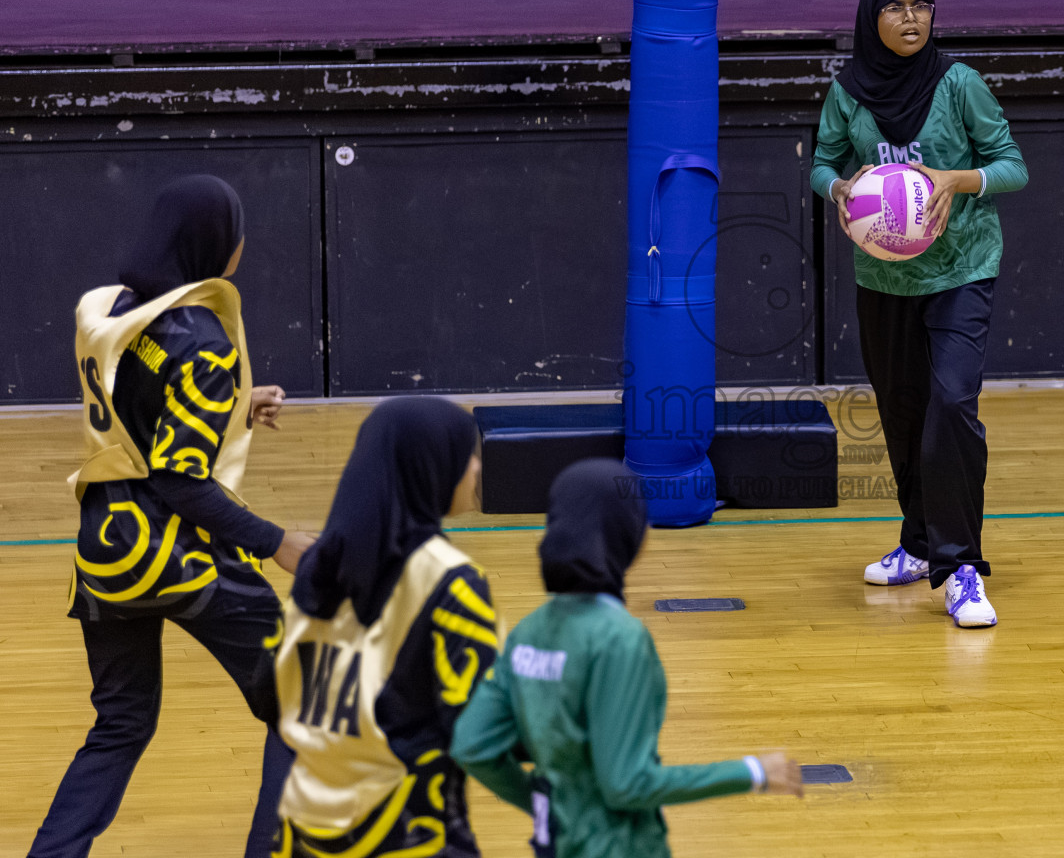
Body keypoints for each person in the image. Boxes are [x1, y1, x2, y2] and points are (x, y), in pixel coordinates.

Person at [29, 174, 315, 858]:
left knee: (121, 724)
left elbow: (139, 415)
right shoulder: (206, 340)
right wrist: (279, 543)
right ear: (217, 244)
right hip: (176, 555)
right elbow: (181, 480)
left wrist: (237, 404)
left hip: (104, 553)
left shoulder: (115, 313)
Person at [810, 0, 1029, 628]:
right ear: (870, 18)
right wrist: (836, 189)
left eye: (922, 6)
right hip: (884, 280)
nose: (911, 18)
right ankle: (918, 542)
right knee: (902, 416)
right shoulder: (847, 93)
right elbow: (822, 162)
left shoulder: (959, 84)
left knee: (952, 406)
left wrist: (954, 179)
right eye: (896, 8)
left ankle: (961, 568)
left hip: (962, 270)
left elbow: (1013, 166)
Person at [450, 458, 802, 858]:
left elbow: (471, 745)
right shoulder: (620, 640)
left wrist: (544, 807)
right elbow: (627, 784)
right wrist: (751, 772)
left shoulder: (528, 632)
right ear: (623, 531)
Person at [263, 395, 498, 858]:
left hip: (307, 835)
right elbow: (481, 732)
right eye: (463, 455)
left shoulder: (320, 566)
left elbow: (269, 690)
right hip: (409, 834)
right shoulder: (451, 583)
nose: (474, 469)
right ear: (427, 468)